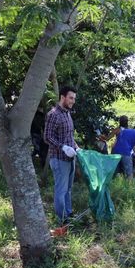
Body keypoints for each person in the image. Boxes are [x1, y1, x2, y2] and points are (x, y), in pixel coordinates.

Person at [44, 86, 80, 226]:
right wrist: (63, 147)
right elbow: (47, 137)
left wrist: (76, 147)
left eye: (74, 99)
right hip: (59, 159)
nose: (73, 101)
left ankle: (68, 213)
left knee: (68, 189)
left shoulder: (67, 113)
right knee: (61, 190)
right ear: (62, 97)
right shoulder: (53, 114)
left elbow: (69, 136)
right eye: (71, 98)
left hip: (70, 158)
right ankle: (62, 220)